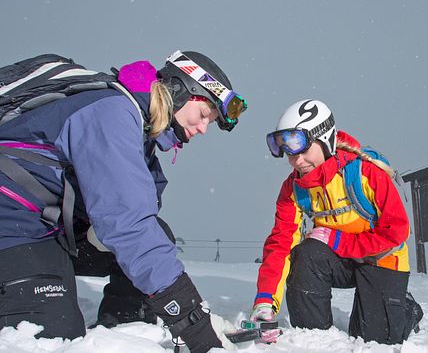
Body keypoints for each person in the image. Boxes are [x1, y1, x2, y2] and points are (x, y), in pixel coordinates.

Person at [0, 51, 247, 353]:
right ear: (181, 91)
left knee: (158, 234)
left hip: (48, 225)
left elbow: (139, 221)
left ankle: (124, 332)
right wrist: (195, 323)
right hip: (14, 222)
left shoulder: (141, 135)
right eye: (204, 115)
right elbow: (130, 227)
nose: (202, 128)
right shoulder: (112, 113)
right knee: (52, 338)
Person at [251, 99, 422, 345]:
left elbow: (397, 232)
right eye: (289, 153)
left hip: (382, 259)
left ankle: (404, 308)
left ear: (326, 140)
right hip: (340, 260)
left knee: (373, 340)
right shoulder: (294, 189)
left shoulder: (365, 173)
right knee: (305, 253)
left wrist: (338, 240)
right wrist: (265, 301)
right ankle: (315, 338)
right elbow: (280, 244)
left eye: (303, 150)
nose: (297, 161)